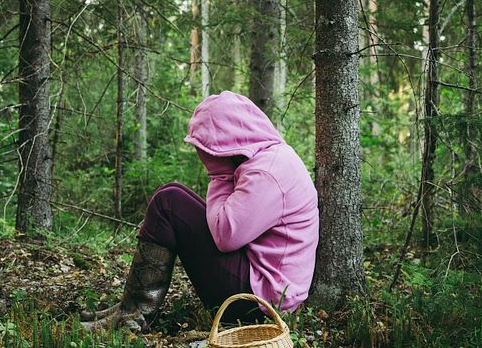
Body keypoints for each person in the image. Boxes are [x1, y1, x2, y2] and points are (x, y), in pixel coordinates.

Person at [80, 91, 319, 331]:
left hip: (261, 303)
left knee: (169, 202)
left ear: (228, 140)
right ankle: (130, 307)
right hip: (264, 286)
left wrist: (218, 175)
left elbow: (225, 237)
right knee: (172, 194)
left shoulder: (267, 173)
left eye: (205, 147)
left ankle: (133, 313)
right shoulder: (268, 159)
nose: (201, 153)